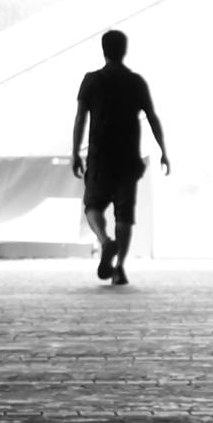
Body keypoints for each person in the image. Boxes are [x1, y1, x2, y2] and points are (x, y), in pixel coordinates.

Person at [65, 32, 167, 282]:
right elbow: (152, 117)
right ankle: (119, 268)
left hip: (100, 156)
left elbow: (80, 118)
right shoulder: (135, 82)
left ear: (104, 50)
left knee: (92, 206)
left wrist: (75, 152)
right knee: (124, 214)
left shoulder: (91, 80)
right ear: (124, 50)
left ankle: (104, 240)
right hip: (128, 157)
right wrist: (163, 150)